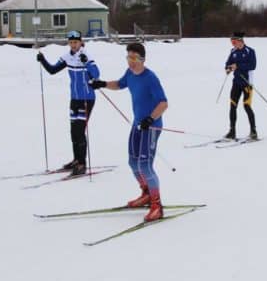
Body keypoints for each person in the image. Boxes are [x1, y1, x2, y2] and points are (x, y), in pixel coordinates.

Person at [90, 42, 169, 221]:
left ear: (142, 59)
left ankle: (157, 205)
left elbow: (163, 103)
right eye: (128, 57)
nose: (131, 62)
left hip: (151, 127)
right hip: (137, 125)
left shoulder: (150, 78)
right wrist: (102, 83)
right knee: (133, 163)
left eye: (134, 58)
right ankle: (147, 193)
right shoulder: (130, 74)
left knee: (145, 165)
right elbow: (119, 84)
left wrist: (150, 119)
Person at [36, 30, 101, 175]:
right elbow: (52, 70)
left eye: (75, 42)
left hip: (87, 98)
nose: (73, 45)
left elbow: (96, 74)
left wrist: (86, 63)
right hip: (74, 99)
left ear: (80, 42)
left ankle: (82, 163)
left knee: (79, 130)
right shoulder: (67, 57)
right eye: (71, 42)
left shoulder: (86, 56)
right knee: (73, 132)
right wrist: (43, 60)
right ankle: (76, 160)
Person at [223, 31, 257, 140]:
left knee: (246, 106)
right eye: (231, 42)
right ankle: (232, 131)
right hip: (236, 83)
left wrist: (237, 66)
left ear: (240, 41)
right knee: (232, 106)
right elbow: (228, 63)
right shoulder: (233, 51)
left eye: (234, 42)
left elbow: (252, 65)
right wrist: (228, 68)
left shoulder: (250, 51)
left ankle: (253, 132)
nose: (233, 44)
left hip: (247, 83)